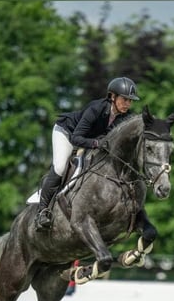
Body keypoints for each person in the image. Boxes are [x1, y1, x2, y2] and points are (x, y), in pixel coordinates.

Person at [35, 77, 140, 230]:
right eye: (125, 99)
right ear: (112, 96)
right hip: (67, 133)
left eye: (130, 101)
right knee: (60, 166)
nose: (128, 104)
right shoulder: (96, 108)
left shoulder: (124, 116)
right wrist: (97, 143)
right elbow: (76, 138)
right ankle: (42, 213)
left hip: (89, 139)